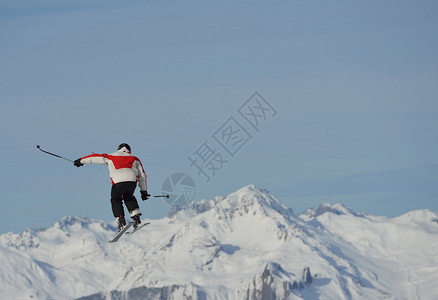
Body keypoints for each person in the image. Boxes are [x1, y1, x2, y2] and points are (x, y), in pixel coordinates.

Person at [74, 143, 150, 231]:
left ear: (119, 149)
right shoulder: (134, 159)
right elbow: (143, 176)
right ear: (129, 150)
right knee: (129, 198)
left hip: (118, 183)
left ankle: (122, 222)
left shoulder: (111, 157)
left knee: (116, 200)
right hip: (131, 182)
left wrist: (80, 161)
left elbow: (95, 157)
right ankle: (137, 219)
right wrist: (144, 191)